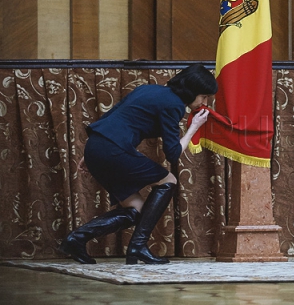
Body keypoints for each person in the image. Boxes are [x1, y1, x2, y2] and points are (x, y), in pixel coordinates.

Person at [59, 64, 217, 265]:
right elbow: (173, 153)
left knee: (138, 209)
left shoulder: (148, 88)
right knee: (168, 180)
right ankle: (137, 246)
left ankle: (76, 239)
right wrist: (193, 128)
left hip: (97, 146)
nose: (204, 102)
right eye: (203, 97)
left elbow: (110, 116)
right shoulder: (174, 104)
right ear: (191, 91)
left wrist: (90, 152)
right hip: (113, 149)